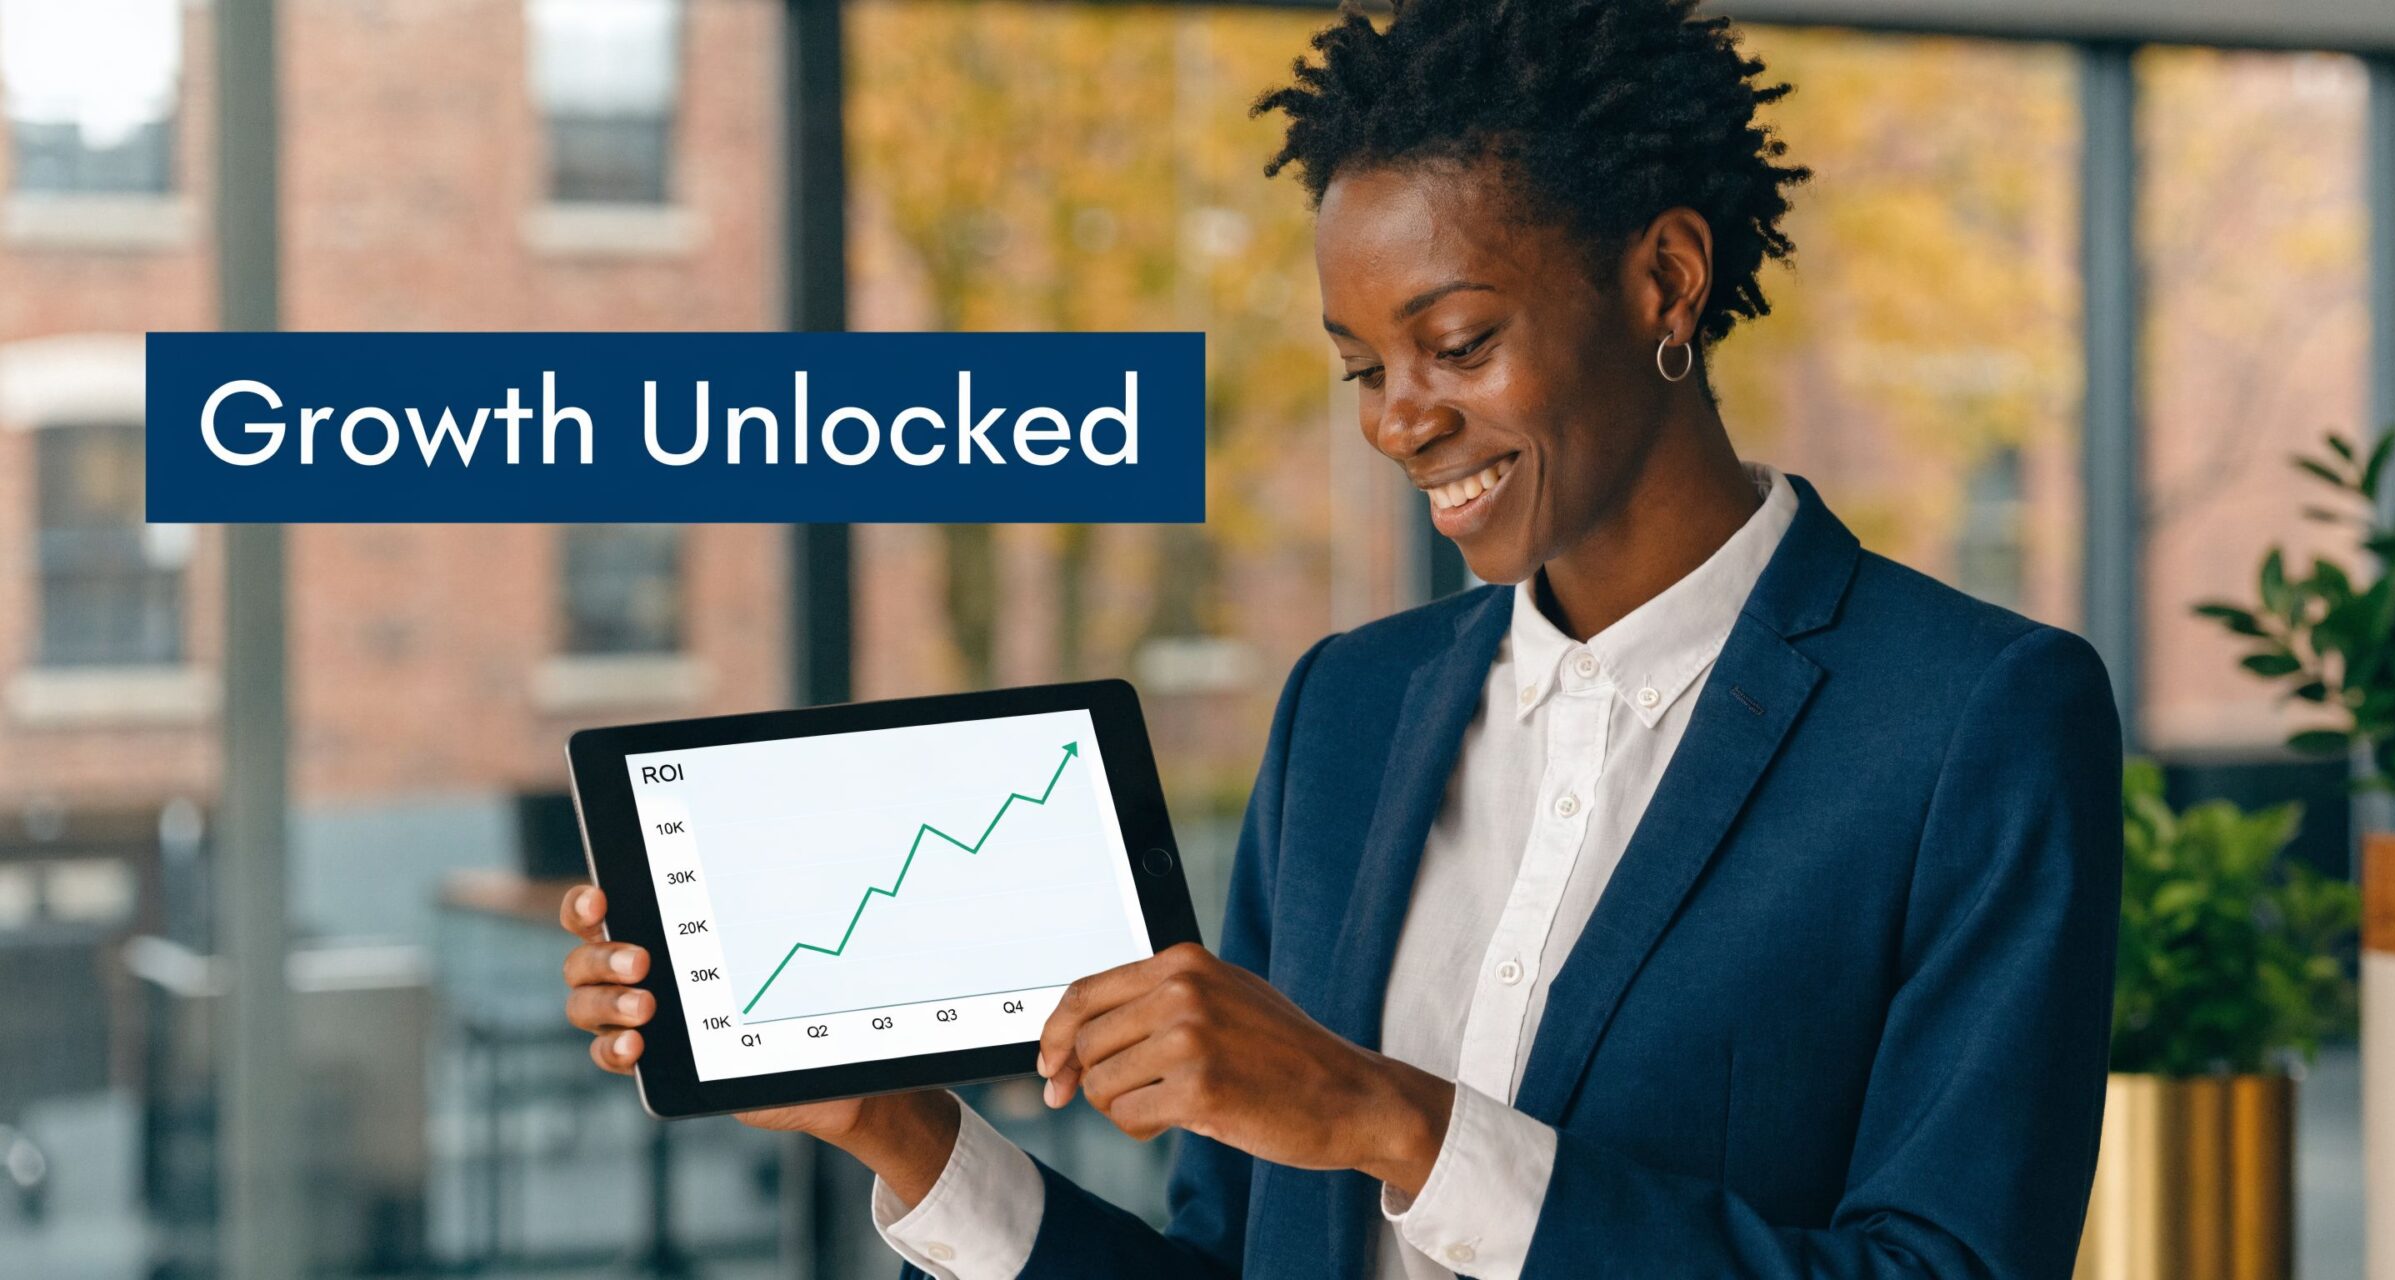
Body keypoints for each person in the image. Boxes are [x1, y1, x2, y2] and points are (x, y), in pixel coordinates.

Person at [560, 2, 2123, 1275]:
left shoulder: (1973, 716)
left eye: (1456, 342)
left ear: (1666, 275)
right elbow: (1239, 1260)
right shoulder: (1351, 711)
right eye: (1357, 367)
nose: (1401, 421)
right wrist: (902, 1133)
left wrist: (1392, 1126)